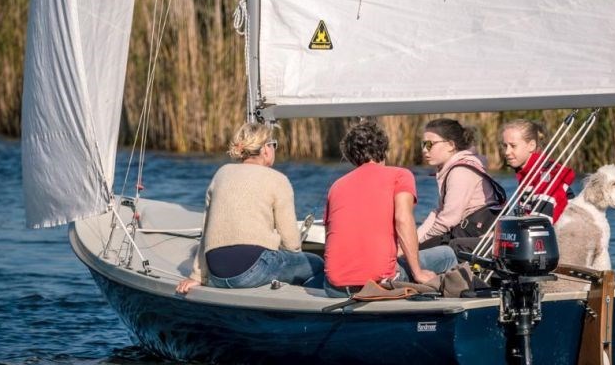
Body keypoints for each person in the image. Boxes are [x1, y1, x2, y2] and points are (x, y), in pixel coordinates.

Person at [175, 123, 323, 293]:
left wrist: (197, 277)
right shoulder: (278, 180)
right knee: (316, 264)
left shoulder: (221, 173)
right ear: (266, 149)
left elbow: (207, 231)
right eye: (273, 145)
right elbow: (291, 244)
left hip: (217, 273)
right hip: (253, 271)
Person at [321, 121, 458, 298]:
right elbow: (402, 219)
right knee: (446, 254)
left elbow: (330, 237)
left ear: (350, 156)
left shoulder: (336, 186)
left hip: (334, 288)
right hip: (379, 285)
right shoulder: (400, 175)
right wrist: (418, 273)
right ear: (384, 149)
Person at [417, 118, 506, 249]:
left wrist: (416, 246)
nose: (425, 150)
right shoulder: (452, 167)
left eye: (430, 144)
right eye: (423, 144)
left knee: (411, 257)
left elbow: (448, 220)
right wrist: (414, 239)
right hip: (466, 231)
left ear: (451, 145)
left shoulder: (460, 171)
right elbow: (439, 213)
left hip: (473, 235)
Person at [500, 118, 575, 223]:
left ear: (531, 145)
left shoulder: (545, 178)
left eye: (513, 146)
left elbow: (539, 225)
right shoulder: (528, 175)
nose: (507, 152)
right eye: (505, 146)